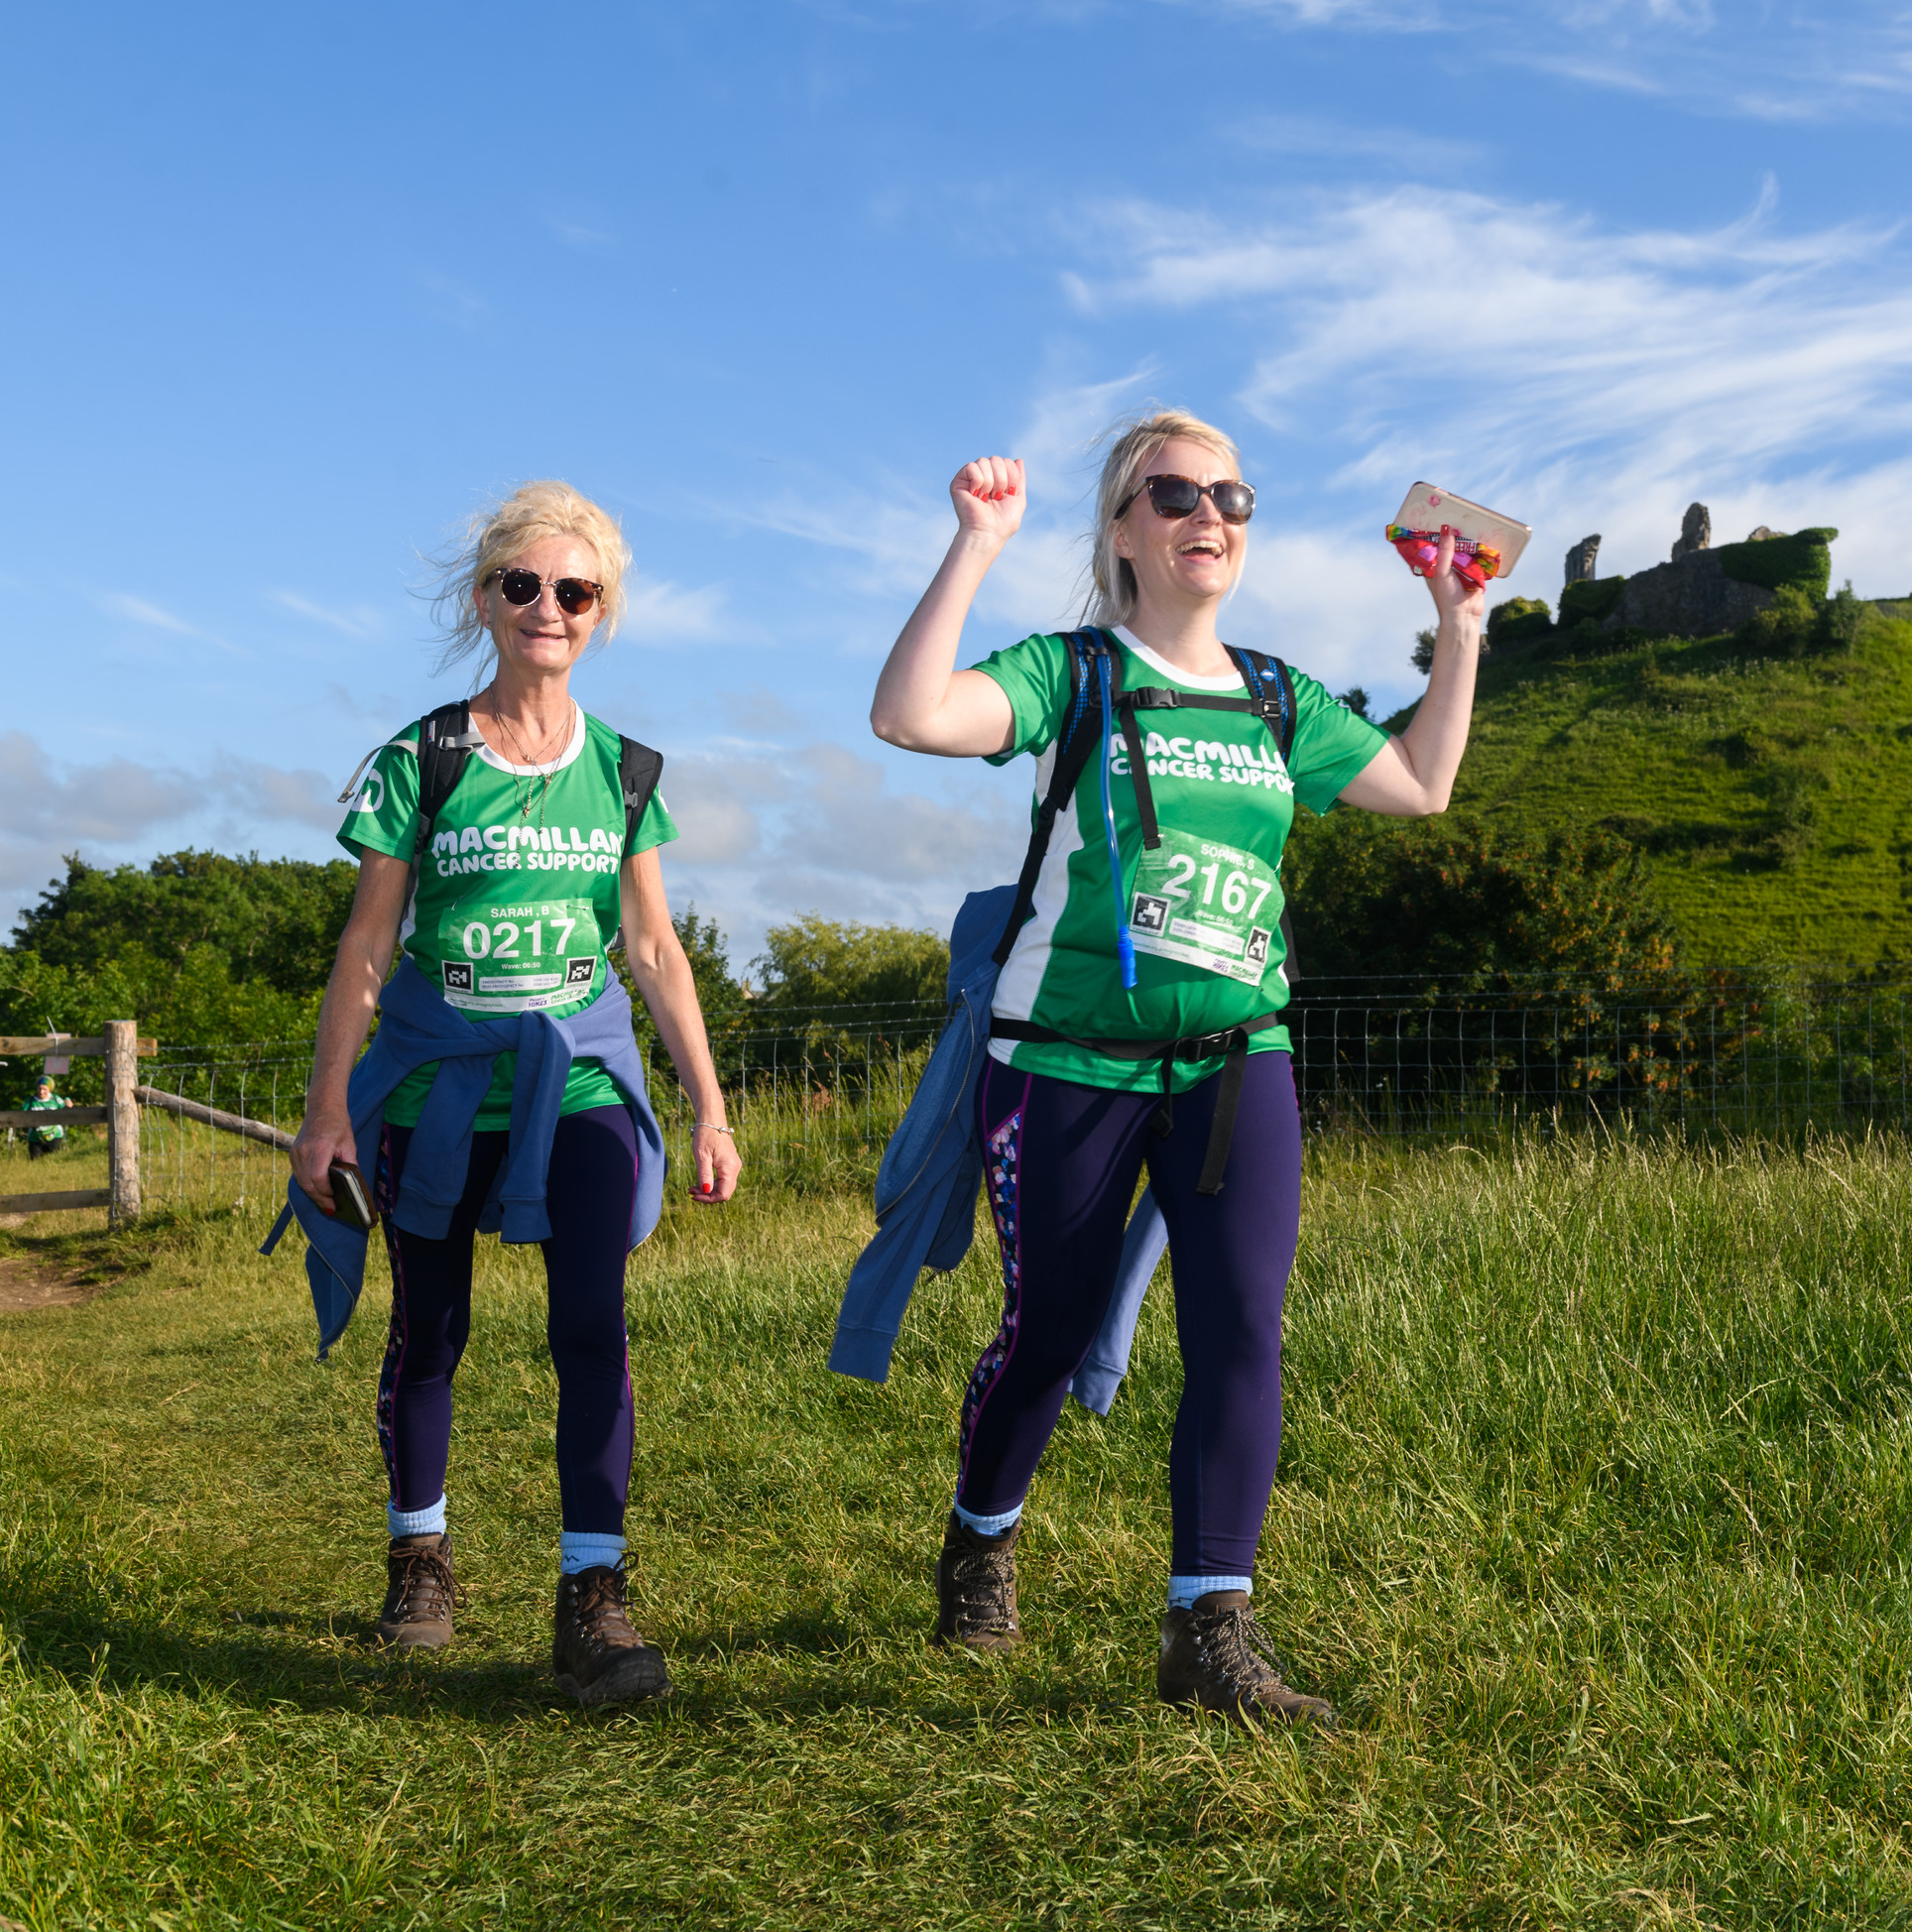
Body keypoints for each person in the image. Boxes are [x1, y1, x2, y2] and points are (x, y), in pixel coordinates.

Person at [868, 410, 1487, 1725]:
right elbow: (911, 713)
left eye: (1231, 495)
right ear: (1123, 530)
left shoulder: (1276, 697)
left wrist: (1461, 626)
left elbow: (1424, 784)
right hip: (1067, 1062)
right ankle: (983, 1532)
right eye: (1171, 494)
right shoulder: (1077, 672)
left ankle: (1208, 1626)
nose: (1208, 514)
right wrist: (976, 545)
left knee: (1240, 1334)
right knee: (1048, 1334)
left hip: (1234, 1061)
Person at [288, 480, 741, 1704]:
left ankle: (592, 1594)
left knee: (591, 1325)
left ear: (602, 613)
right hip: (440, 1082)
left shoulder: (629, 770)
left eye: (574, 590)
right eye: (523, 585)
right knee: (430, 1326)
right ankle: (419, 1554)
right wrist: (327, 1110)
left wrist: (706, 1101)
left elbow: (651, 948)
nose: (548, 606)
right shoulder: (424, 759)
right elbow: (366, 950)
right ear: (484, 599)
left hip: (582, 1081)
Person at [21, 1074, 67, 1156]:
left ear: (49, 1090)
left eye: (44, 1089)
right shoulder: (30, 1100)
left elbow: (66, 1111)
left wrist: (68, 1104)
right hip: (35, 1137)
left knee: (53, 1160)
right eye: (39, 1088)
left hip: (55, 1135)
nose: (41, 1091)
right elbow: (21, 1115)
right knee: (35, 1162)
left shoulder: (56, 1099)